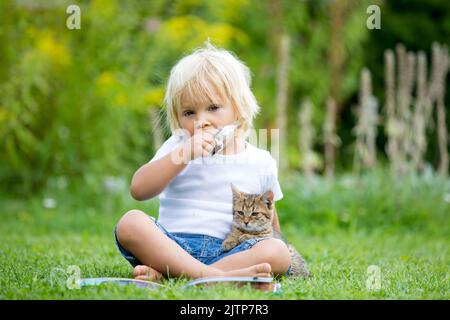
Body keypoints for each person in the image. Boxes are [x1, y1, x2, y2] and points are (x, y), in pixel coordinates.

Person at [114, 42, 291, 282]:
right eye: (189, 113)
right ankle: (211, 276)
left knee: (277, 250)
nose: (202, 120)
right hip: (173, 246)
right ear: (177, 117)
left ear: (239, 110)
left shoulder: (261, 161)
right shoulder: (177, 146)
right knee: (130, 223)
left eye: (213, 108)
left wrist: (273, 246)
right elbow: (139, 189)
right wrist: (183, 155)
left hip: (230, 250)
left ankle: (176, 275)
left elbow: (270, 222)